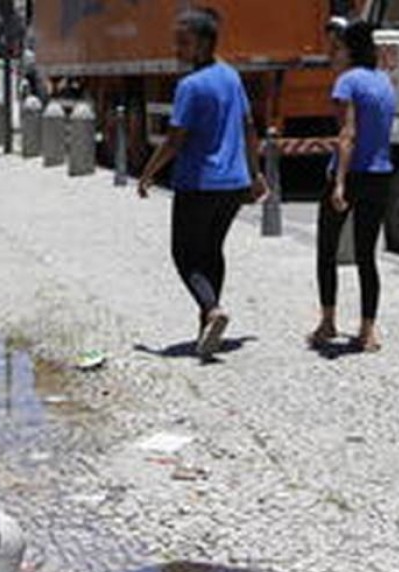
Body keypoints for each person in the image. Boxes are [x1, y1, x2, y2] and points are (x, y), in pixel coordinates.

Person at [136, 8, 268, 359]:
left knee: (184, 254)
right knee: (211, 251)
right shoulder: (231, 77)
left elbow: (175, 140)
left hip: (198, 183)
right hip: (234, 184)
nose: (177, 48)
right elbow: (249, 128)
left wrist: (148, 173)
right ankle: (206, 328)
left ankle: (212, 311)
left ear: (204, 43)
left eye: (184, 42)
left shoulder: (190, 87)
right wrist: (255, 174)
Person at [308, 20, 396, 353]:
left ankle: (328, 322)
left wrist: (340, 183)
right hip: (381, 173)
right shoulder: (385, 82)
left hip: (351, 172)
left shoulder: (346, 82)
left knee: (327, 250)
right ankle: (367, 330)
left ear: (348, 49)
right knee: (366, 256)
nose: (335, 53)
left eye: (338, 48)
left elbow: (347, 135)